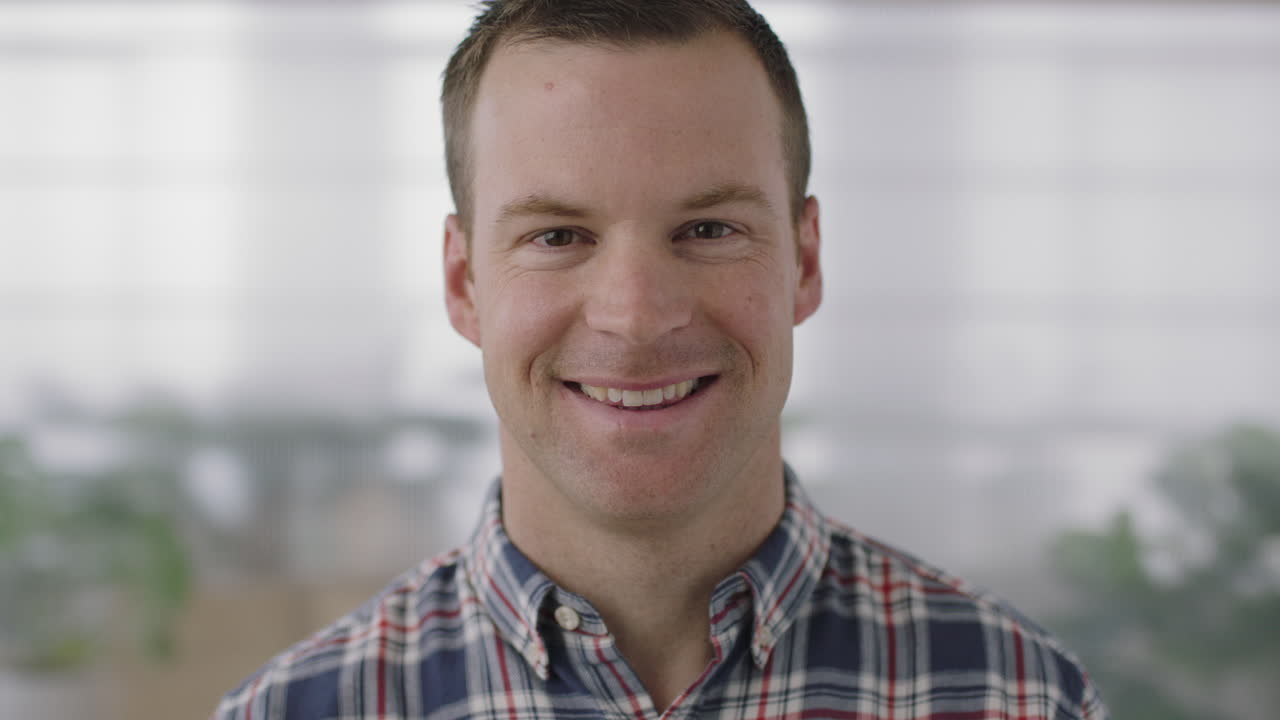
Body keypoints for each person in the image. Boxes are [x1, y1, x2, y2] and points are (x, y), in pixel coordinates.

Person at [214, 1, 1109, 718]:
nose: (636, 315)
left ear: (804, 260)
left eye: (710, 229)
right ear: (464, 284)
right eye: (558, 234)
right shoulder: (294, 710)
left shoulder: (1018, 696)